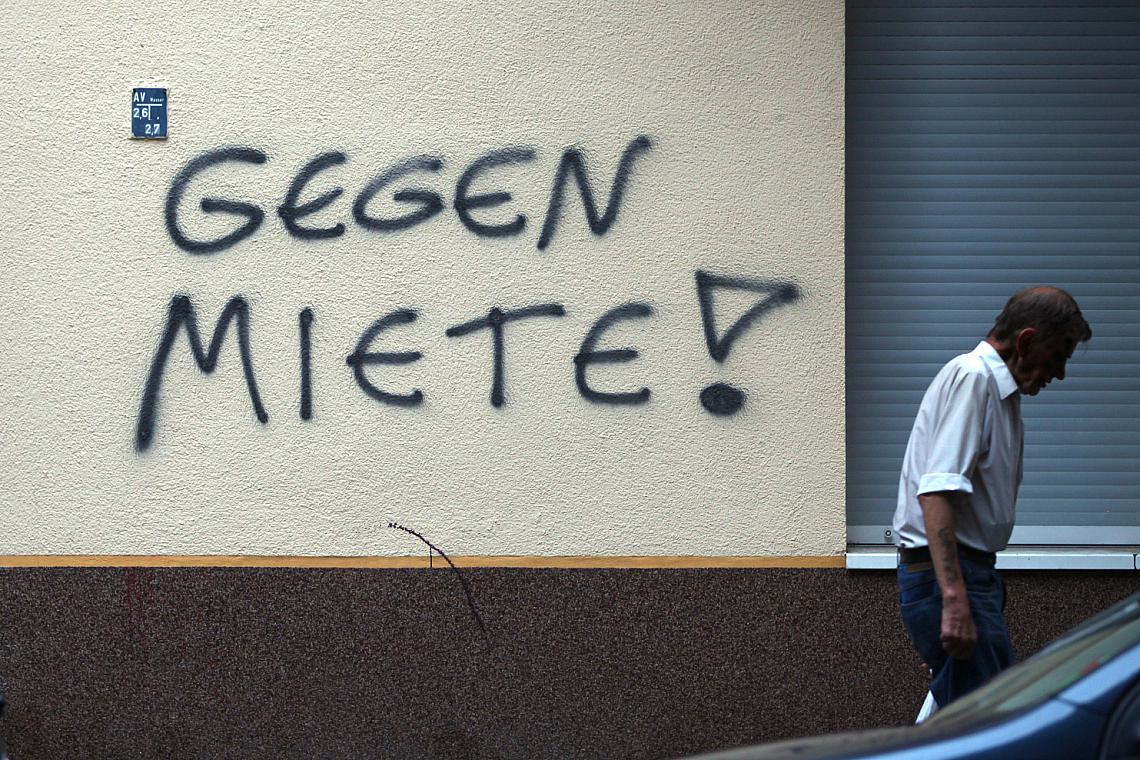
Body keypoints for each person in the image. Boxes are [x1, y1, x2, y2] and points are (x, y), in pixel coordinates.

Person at [892, 286, 1092, 714]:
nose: (1059, 373)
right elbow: (936, 492)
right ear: (1025, 341)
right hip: (951, 578)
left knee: (967, 715)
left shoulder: (998, 392)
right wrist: (954, 599)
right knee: (987, 721)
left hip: (968, 575)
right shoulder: (974, 379)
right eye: (1058, 355)